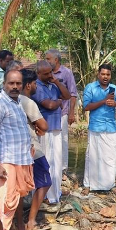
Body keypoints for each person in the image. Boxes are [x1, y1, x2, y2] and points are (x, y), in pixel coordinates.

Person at [0, 70, 34, 230]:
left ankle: (19, 226)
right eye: (11, 83)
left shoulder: (17, 102)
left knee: (17, 196)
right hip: (7, 160)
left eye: (18, 83)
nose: (15, 86)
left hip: (21, 159)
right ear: (4, 84)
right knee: (6, 203)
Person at [31, 60, 71, 204]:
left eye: (50, 72)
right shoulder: (36, 87)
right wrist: (59, 102)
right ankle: (43, 196)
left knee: (57, 162)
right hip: (44, 131)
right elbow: (49, 105)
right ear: (38, 73)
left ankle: (55, 193)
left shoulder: (53, 84)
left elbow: (67, 96)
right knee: (46, 162)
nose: (49, 75)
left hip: (56, 128)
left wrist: (57, 82)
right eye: (46, 73)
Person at [82, 64, 116, 192]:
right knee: (93, 156)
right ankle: (90, 185)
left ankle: (108, 184)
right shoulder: (91, 87)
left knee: (110, 156)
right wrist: (103, 101)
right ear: (98, 74)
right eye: (103, 74)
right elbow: (86, 107)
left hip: (110, 127)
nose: (105, 77)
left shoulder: (114, 88)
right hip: (96, 126)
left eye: (108, 74)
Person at [18, 69, 51, 230]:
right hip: (32, 149)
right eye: (35, 83)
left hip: (18, 151)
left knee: (20, 187)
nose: (37, 86)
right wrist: (39, 126)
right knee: (45, 181)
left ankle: (17, 222)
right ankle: (31, 220)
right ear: (29, 85)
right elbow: (44, 125)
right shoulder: (28, 102)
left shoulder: (12, 100)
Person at [45, 49, 78, 179]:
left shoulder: (66, 73)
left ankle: (63, 170)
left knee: (63, 140)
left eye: (48, 59)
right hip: (47, 113)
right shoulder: (45, 73)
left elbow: (73, 94)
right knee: (48, 141)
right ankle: (49, 166)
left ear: (56, 60)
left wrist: (71, 113)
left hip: (62, 112)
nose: (46, 61)